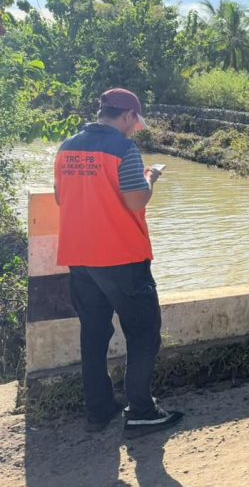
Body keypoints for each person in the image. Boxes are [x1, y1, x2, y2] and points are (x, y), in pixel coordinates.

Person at [55, 88, 183, 437]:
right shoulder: (123, 148)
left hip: (79, 259)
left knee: (93, 334)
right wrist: (150, 177)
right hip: (122, 258)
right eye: (135, 122)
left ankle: (98, 410)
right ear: (126, 116)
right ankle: (141, 411)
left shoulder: (66, 147)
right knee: (143, 334)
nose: (135, 130)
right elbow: (135, 201)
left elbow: (58, 197)